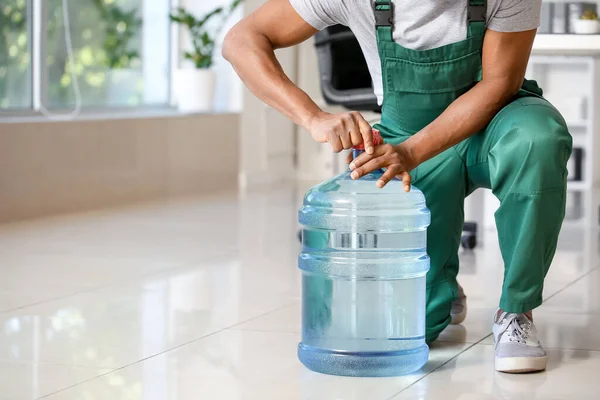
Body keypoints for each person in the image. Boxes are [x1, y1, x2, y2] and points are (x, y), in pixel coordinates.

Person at [223, 0, 572, 373]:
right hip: (404, 135)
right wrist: (313, 117)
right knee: (407, 329)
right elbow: (241, 40)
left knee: (537, 140)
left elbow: (501, 82)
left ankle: (516, 311)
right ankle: (441, 287)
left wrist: (412, 151)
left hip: (496, 122)